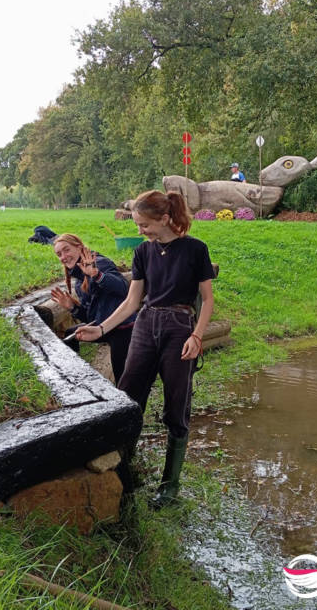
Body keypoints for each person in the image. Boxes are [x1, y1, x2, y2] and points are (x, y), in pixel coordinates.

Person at [76, 190, 215, 507]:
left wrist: (197, 336)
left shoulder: (195, 250)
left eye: (143, 224)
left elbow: (207, 300)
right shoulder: (143, 253)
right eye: (137, 225)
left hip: (180, 328)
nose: (140, 231)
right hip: (145, 325)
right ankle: (125, 467)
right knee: (127, 397)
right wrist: (100, 328)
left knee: (176, 405)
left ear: (164, 219)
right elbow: (130, 303)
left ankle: (170, 485)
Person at [51, 233, 135, 384]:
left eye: (67, 250)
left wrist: (96, 275)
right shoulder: (78, 280)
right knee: (71, 333)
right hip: (102, 327)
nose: (63, 256)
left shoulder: (99, 263)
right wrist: (71, 307)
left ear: (80, 247)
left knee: (122, 379)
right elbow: (91, 318)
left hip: (123, 328)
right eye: (59, 254)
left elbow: (123, 288)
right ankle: (75, 377)